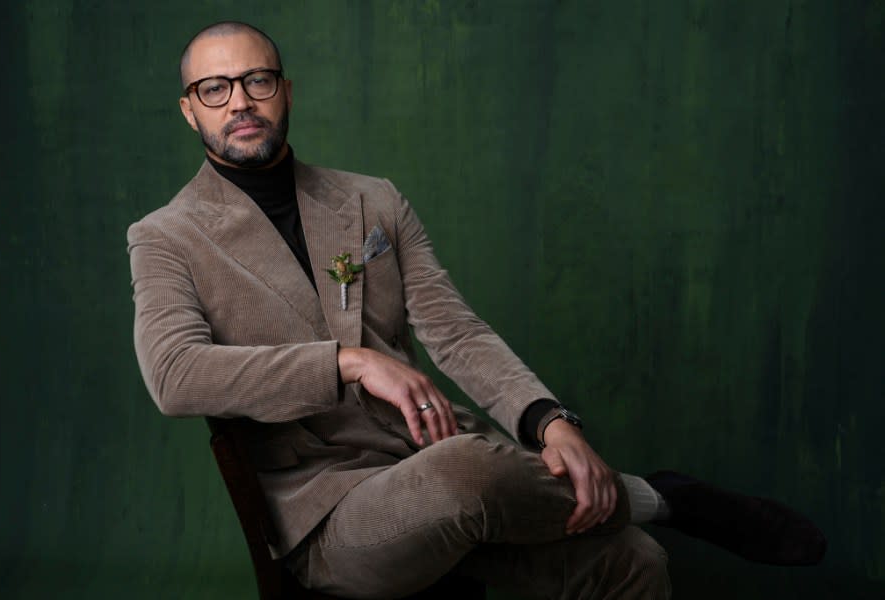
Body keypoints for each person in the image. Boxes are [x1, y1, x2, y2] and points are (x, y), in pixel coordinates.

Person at [127, 21, 825, 599]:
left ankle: (630, 506)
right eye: (214, 88)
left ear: (285, 91)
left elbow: (455, 332)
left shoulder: (373, 200)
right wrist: (349, 361)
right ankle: (663, 498)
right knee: (464, 468)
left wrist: (552, 423)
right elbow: (175, 374)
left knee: (636, 562)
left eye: (258, 80)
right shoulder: (166, 237)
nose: (239, 101)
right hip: (336, 521)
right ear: (190, 109)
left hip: (450, 473)